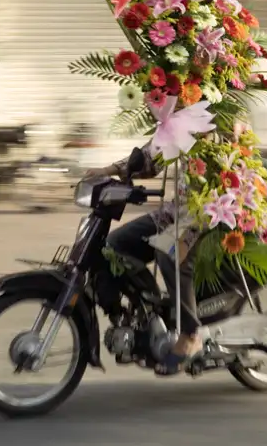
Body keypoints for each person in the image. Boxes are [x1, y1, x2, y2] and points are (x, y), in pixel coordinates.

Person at [84, 140, 202, 375]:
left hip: (209, 213)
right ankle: (150, 309)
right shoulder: (180, 125)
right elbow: (151, 158)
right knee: (113, 245)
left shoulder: (221, 123)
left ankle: (190, 334)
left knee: (167, 251)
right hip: (174, 213)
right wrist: (107, 171)